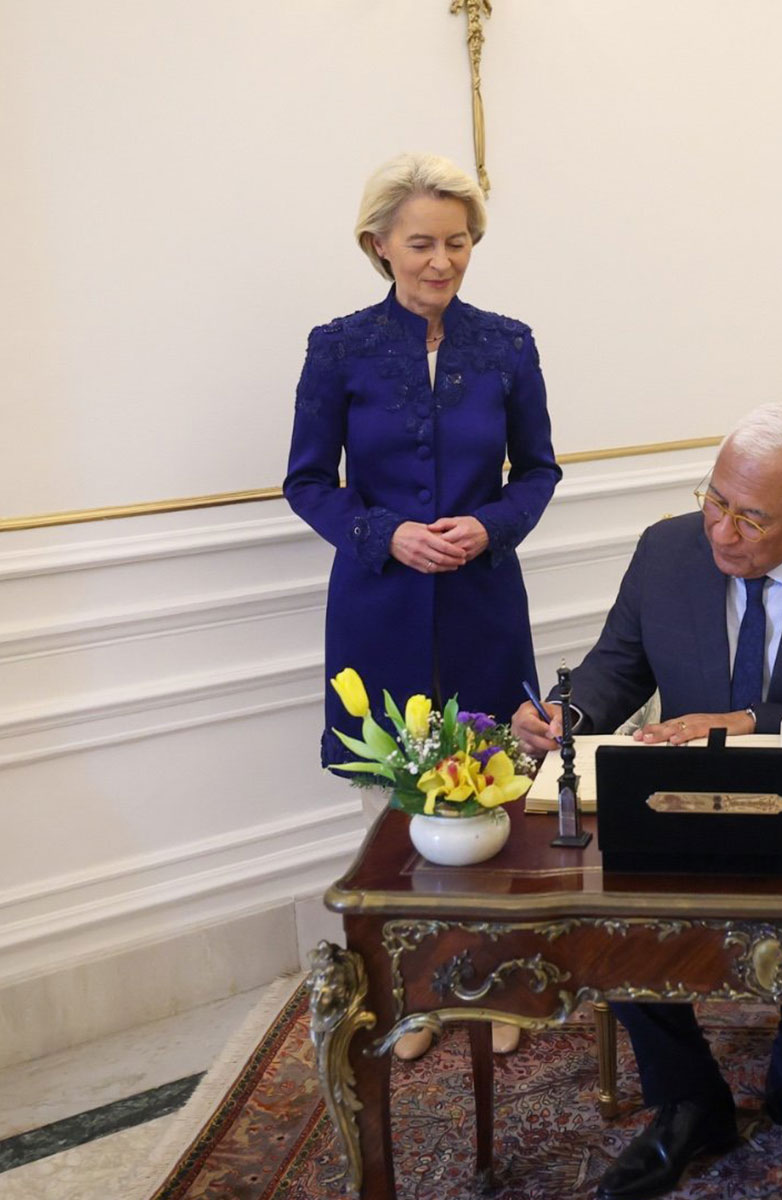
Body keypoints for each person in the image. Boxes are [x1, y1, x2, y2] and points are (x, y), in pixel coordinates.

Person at [512, 403, 782, 1200]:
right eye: (715, 500)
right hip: (683, 802)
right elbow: (616, 666)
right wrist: (569, 714)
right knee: (605, 902)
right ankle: (689, 1100)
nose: (722, 532)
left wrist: (750, 722)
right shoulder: (666, 550)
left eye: (751, 518)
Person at [286, 151, 560, 1059]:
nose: (443, 261)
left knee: (493, 798)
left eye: (459, 242)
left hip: (484, 602)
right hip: (378, 606)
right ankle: (412, 997)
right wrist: (386, 534)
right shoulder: (338, 348)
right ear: (379, 245)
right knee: (397, 811)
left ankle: (500, 984)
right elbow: (307, 482)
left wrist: (489, 525)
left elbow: (539, 471)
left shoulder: (509, 345)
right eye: (421, 244)